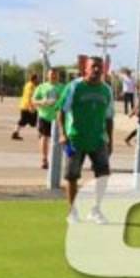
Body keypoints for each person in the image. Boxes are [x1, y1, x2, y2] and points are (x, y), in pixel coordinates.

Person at [57, 56, 114, 224]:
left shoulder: (107, 90)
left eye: (99, 67)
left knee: (103, 175)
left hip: (98, 139)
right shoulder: (74, 87)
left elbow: (109, 117)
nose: (97, 70)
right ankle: (73, 212)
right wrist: (62, 134)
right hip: (76, 138)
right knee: (72, 176)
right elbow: (61, 111)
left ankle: (95, 210)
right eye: (93, 66)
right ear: (85, 69)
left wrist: (110, 140)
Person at [32, 69, 66, 170]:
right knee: (44, 138)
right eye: (52, 75)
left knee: (63, 139)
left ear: (58, 76)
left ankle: (66, 159)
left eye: (56, 75)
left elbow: (67, 100)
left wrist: (60, 102)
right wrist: (43, 102)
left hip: (59, 118)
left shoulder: (63, 87)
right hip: (45, 116)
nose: (54, 76)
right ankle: (44, 159)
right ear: (47, 75)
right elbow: (33, 100)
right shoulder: (41, 87)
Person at [12, 73, 39, 140]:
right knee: (35, 121)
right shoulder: (31, 86)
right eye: (37, 79)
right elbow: (29, 96)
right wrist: (31, 107)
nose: (38, 80)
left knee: (24, 121)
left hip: (24, 105)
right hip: (28, 106)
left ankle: (15, 133)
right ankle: (41, 135)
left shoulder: (27, 84)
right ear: (35, 79)